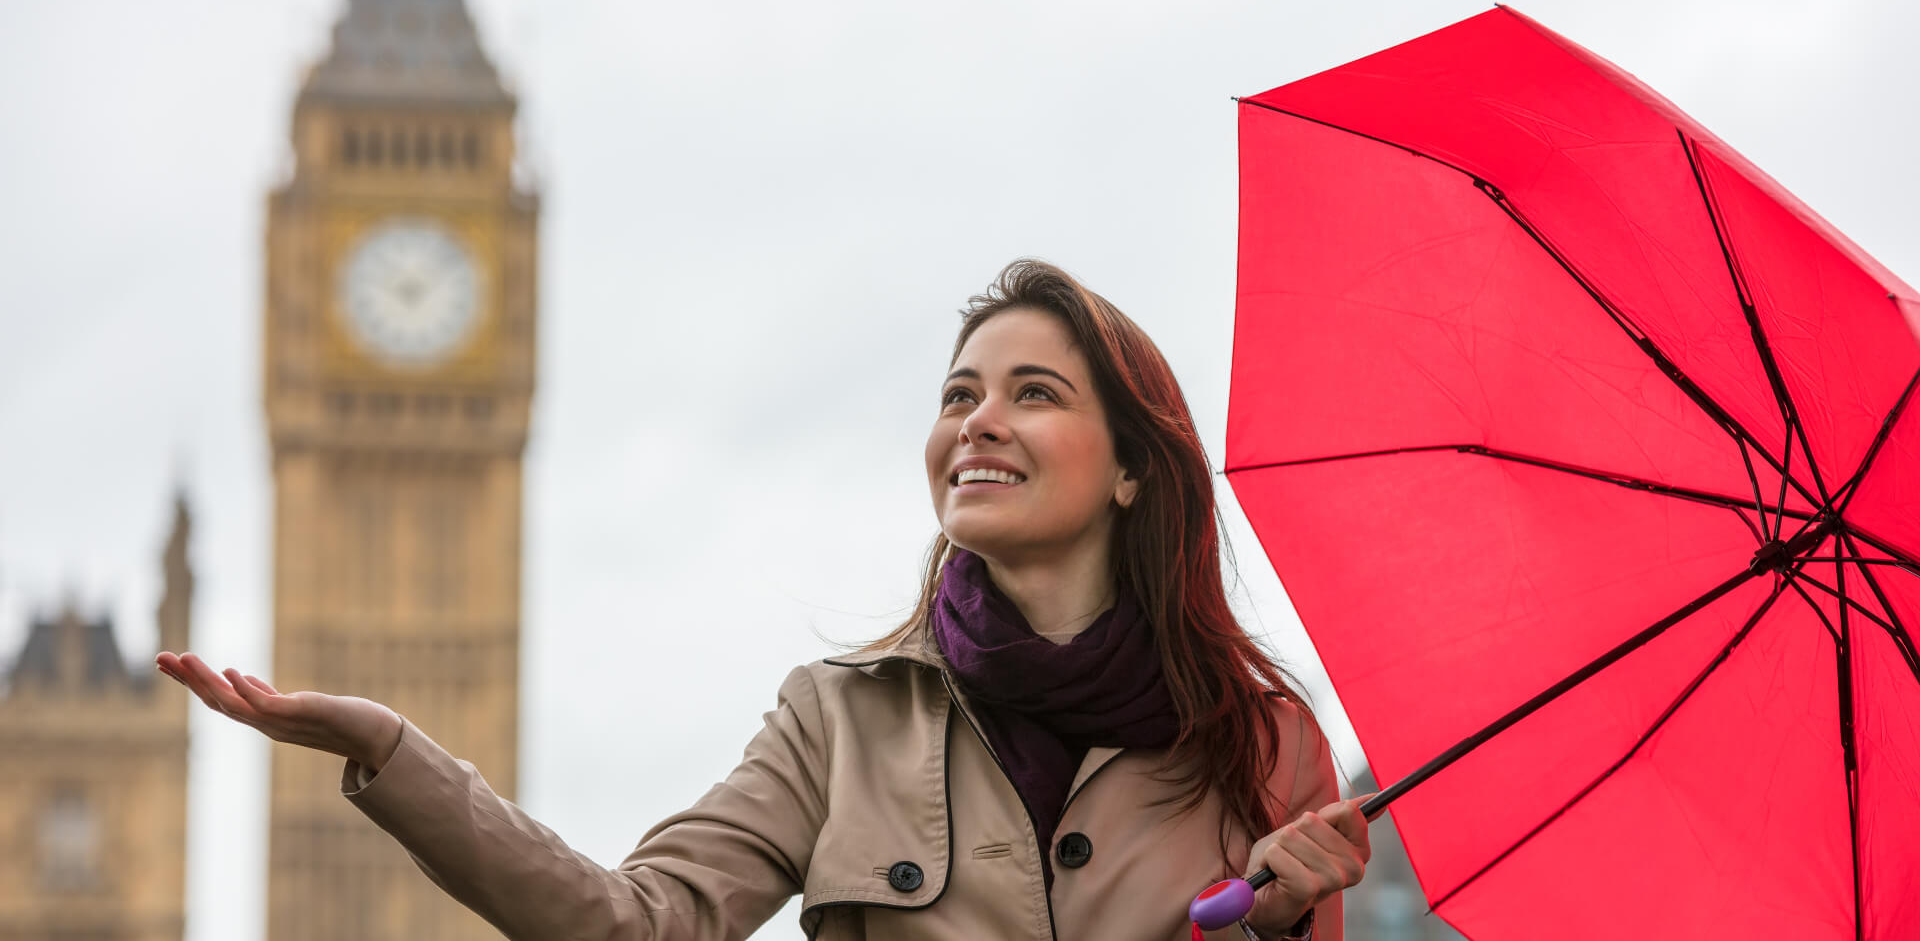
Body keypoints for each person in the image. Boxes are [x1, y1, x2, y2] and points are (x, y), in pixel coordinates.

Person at [158, 258, 1371, 940]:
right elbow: (639, 926)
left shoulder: (1265, 747)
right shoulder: (839, 721)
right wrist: (394, 753)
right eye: (959, 396)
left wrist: (1277, 928)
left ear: (1129, 468)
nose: (979, 421)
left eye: (1033, 392)